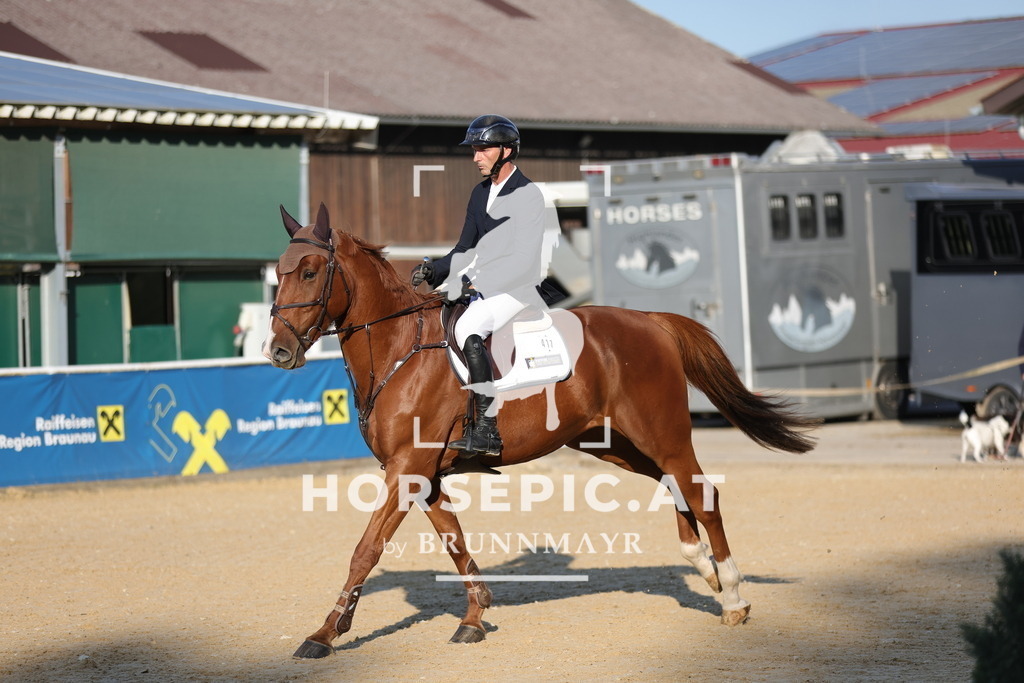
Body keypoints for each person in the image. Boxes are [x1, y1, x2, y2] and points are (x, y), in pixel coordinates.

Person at [411, 114, 557, 458]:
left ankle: (487, 429)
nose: (475, 156)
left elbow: (524, 259)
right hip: (487, 286)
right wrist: (435, 269)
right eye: (474, 150)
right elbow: (464, 248)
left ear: (506, 151)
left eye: (482, 149)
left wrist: (471, 281)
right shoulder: (479, 194)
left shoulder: (528, 195)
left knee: (468, 327)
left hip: (521, 288)